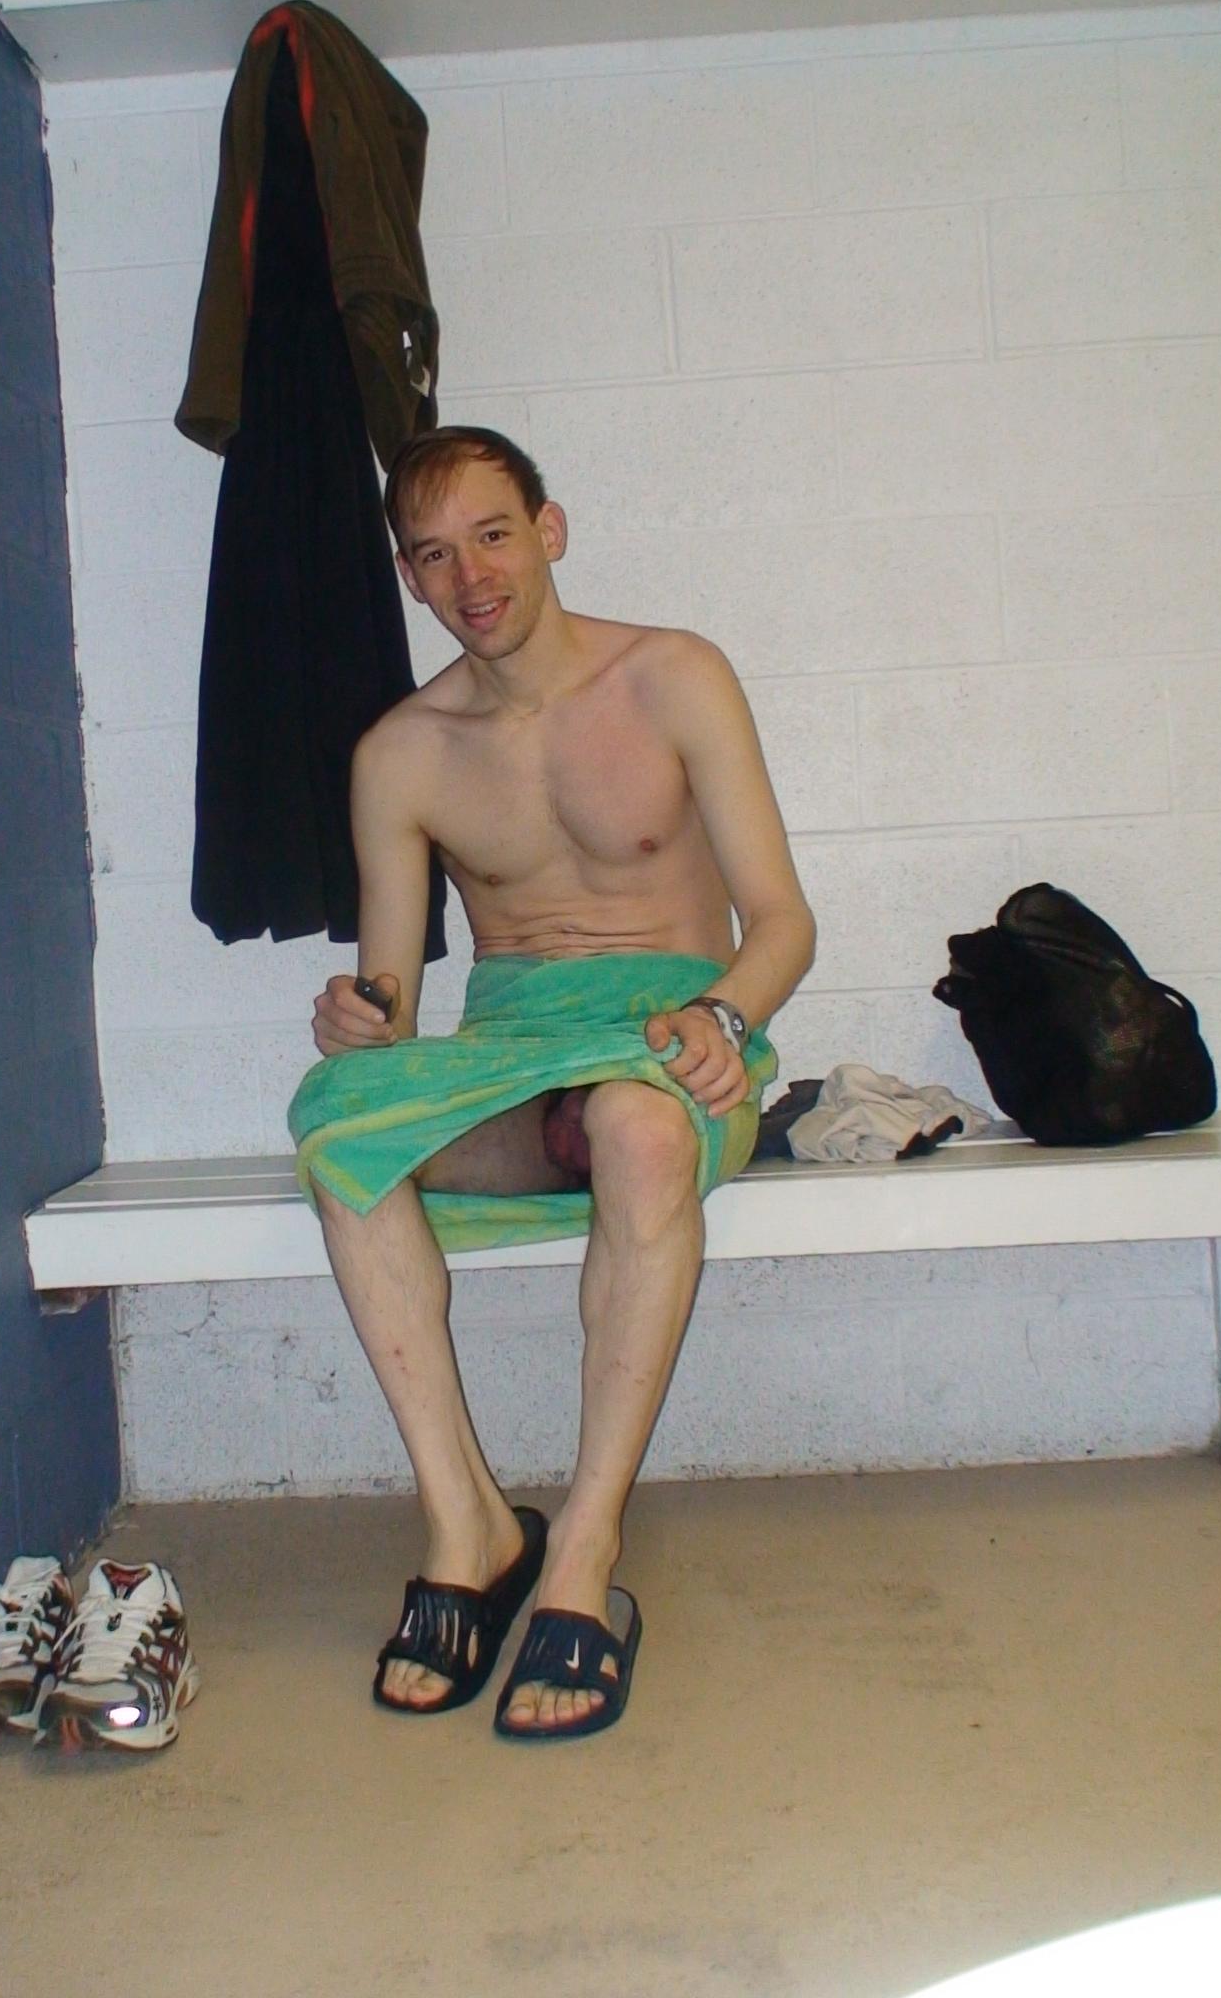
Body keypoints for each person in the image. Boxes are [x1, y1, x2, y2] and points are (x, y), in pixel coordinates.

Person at [288, 427, 815, 1740]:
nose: (469, 576)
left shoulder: (675, 677)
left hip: (668, 1037)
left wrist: (723, 1016)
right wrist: (359, 1020)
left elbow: (783, 923)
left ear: (549, 530)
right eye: (432, 555)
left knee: (638, 1127)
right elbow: (394, 1004)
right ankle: (465, 1527)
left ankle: (583, 1551)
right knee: (339, 1124)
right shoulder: (401, 752)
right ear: (409, 578)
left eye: (492, 536)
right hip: (516, 1055)